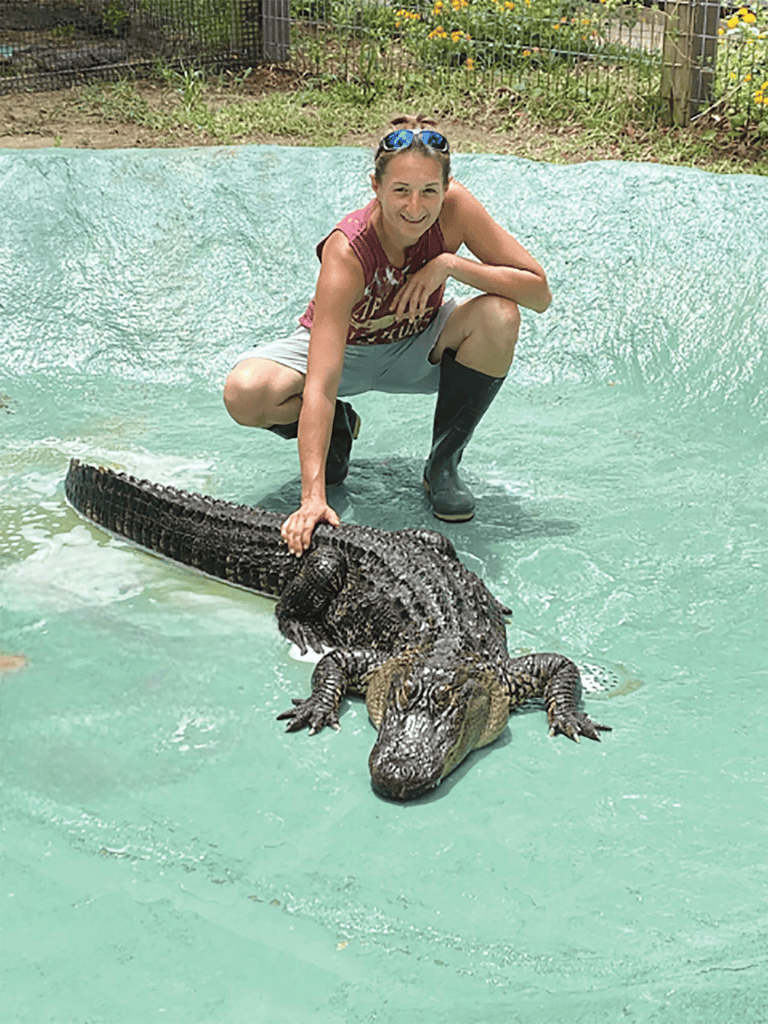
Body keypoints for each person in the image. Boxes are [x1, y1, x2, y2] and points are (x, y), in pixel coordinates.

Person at [224, 114, 551, 556]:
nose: (415, 208)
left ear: (447, 186)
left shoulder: (457, 210)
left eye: (429, 192)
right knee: (246, 392)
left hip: (421, 346)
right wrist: (313, 499)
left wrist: (451, 265)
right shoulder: (349, 247)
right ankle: (338, 433)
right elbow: (320, 382)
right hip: (347, 353)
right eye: (401, 191)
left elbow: (538, 292)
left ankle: (443, 465)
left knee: (500, 315)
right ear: (375, 187)